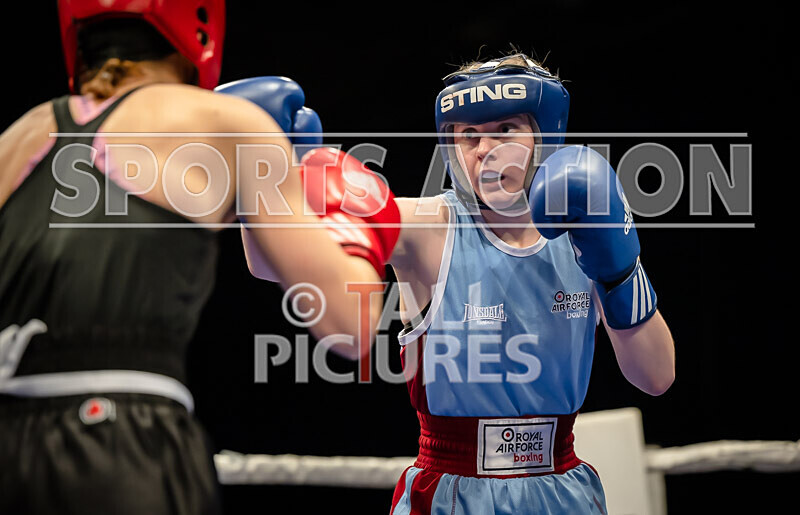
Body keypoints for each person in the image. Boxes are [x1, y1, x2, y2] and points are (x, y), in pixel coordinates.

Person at [0, 1, 397, 513]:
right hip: (121, 446)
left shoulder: (16, 139)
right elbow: (349, 323)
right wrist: (352, 219)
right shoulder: (228, 123)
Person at [385, 53, 676, 514]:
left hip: (562, 490)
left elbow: (656, 378)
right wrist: (269, 167)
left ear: (544, 135)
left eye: (505, 129)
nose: (485, 149)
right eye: (469, 135)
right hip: (454, 494)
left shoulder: (584, 227)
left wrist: (620, 269)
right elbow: (290, 247)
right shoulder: (426, 227)